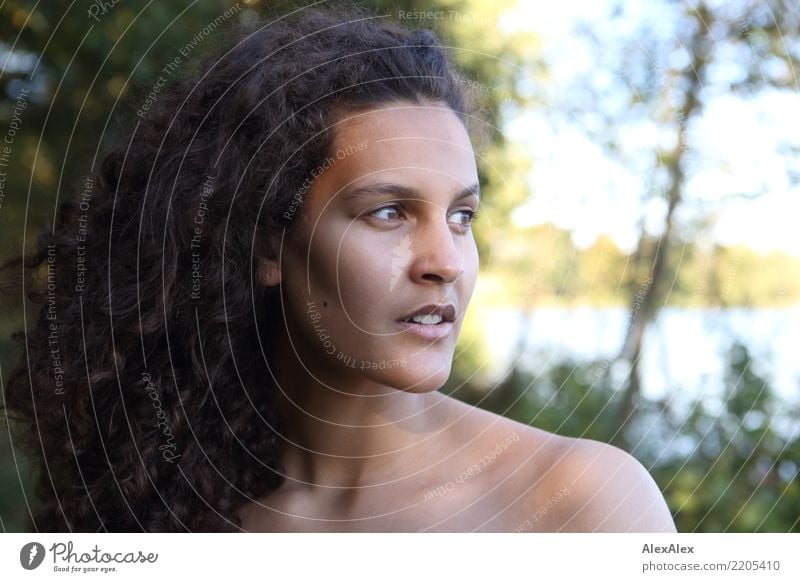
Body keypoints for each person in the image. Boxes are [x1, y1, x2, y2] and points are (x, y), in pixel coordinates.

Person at [0, 7, 676, 533]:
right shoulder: (173, 511)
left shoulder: (581, 504)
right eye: (388, 213)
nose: (445, 263)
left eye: (461, 216)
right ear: (268, 247)